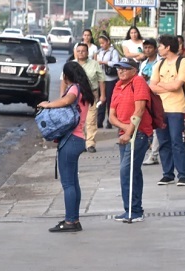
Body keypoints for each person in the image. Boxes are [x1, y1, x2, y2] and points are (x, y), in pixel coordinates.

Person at [38, 62, 94, 233]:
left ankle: (70, 221)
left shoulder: (74, 88)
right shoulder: (84, 89)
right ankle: (73, 218)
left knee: (68, 183)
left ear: (67, 75)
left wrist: (47, 104)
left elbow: (67, 100)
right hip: (78, 139)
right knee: (73, 183)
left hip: (70, 139)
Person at [109, 58, 153, 222]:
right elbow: (111, 116)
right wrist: (125, 128)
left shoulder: (138, 81)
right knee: (132, 171)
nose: (120, 71)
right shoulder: (117, 86)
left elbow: (140, 109)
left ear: (134, 70)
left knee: (126, 171)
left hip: (139, 133)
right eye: (119, 68)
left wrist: (129, 132)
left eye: (125, 68)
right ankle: (132, 209)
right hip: (125, 133)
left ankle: (134, 211)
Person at [149, 35, 185, 186]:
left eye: (160, 46)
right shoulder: (158, 65)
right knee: (163, 142)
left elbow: (177, 86)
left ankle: (183, 174)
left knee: (177, 141)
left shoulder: (183, 62)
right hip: (161, 108)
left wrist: (161, 86)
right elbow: (152, 86)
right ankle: (167, 174)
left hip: (176, 108)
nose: (158, 48)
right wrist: (166, 86)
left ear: (167, 47)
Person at [62, 43, 106, 153]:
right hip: (75, 95)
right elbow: (63, 80)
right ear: (75, 52)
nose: (81, 53)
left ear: (87, 52)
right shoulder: (71, 65)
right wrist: (62, 95)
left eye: (83, 51)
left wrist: (103, 95)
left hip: (91, 94)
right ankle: (80, 142)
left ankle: (90, 143)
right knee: (77, 119)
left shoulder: (94, 64)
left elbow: (101, 80)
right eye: (79, 51)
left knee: (91, 119)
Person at [139, 38, 162, 166]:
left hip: (157, 96)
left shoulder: (160, 62)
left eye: (150, 48)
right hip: (146, 96)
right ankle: (152, 151)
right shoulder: (143, 63)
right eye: (145, 48)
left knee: (157, 126)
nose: (147, 50)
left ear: (155, 48)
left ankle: (154, 154)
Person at [96, 34, 120, 129]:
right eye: (100, 43)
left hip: (111, 79)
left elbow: (116, 63)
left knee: (110, 100)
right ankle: (99, 121)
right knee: (101, 100)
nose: (101, 45)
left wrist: (105, 62)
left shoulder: (113, 52)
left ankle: (110, 121)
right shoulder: (100, 52)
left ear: (108, 42)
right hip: (101, 78)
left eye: (103, 43)